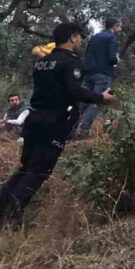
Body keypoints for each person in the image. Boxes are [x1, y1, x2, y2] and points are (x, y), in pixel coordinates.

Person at [0, 23, 114, 228]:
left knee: (27, 168)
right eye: (79, 37)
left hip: (34, 121)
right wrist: (100, 97)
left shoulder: (42, 62)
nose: (80, 41)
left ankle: (2, 207)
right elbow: (74, 90)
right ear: (72, 38)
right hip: (53, 123)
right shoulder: (70, 62)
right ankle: (11, 219)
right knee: (38, 172)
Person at [73, 17, 122, 139]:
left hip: (89, 72)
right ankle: (83, 130)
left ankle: (71, 127)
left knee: (84, 100)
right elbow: (112, 58)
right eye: (119, 26)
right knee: (96, 101)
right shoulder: (112, 38)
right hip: (103, 73)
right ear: (114, 26)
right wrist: (117, 60)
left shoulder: (95, 37)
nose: (120, 29)